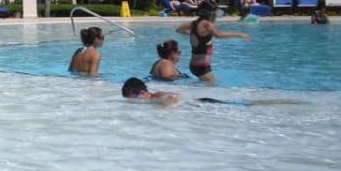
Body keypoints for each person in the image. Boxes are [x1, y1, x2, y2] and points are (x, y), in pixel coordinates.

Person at [175, 0, 250, 83]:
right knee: (214, 87)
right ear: (211, 13)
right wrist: (239, 34)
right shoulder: (207, 24)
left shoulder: (194, 23)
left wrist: (194, 34)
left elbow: (179, 30)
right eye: (216, 12)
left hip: (193, 65)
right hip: (202, 66)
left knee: (205, 86)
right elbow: (219, 35)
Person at [122, 77, 303, 107]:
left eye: (137, 97)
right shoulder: (151, 99)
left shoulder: (156, 95)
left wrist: (161, 108)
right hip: (200, 103)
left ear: (144, 92)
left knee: (246, 105)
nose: (137, 101)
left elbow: (173, 97)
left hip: (204, 101)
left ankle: (282, 101)